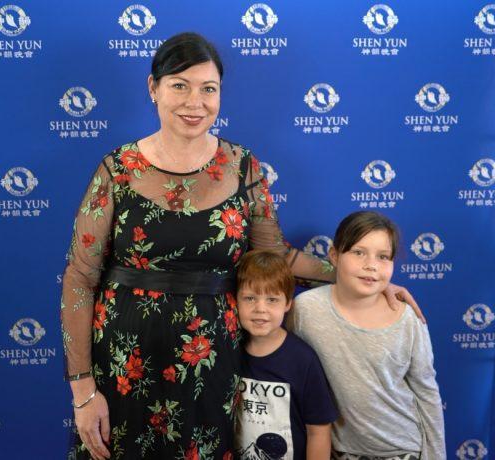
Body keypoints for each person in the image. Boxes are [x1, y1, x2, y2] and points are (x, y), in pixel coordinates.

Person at [60, 32, 421, 459]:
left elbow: (278, 258)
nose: (195, 102)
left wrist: (360, 279)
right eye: (180, 85)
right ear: (152, 88)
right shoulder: (116, 170)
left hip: (213, 362)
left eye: (208, 89)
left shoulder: (242, 165)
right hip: (125, 362)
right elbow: (81, 279)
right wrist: (83, 390)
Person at [291, 211, 446, 460]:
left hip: (402, 450)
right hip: (338, 451)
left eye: (383, 257)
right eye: (358, 252)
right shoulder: (306, 310)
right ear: (334, 255)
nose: (371, 265)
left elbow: (427, 393)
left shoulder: (407, 319)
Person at [234, 250, 338, 460]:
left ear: (288, 303)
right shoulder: (229, 352)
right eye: (250, 298)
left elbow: (319, 431)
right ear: (235, 299)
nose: (260, 309)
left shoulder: (303, 359)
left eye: (272, 299)